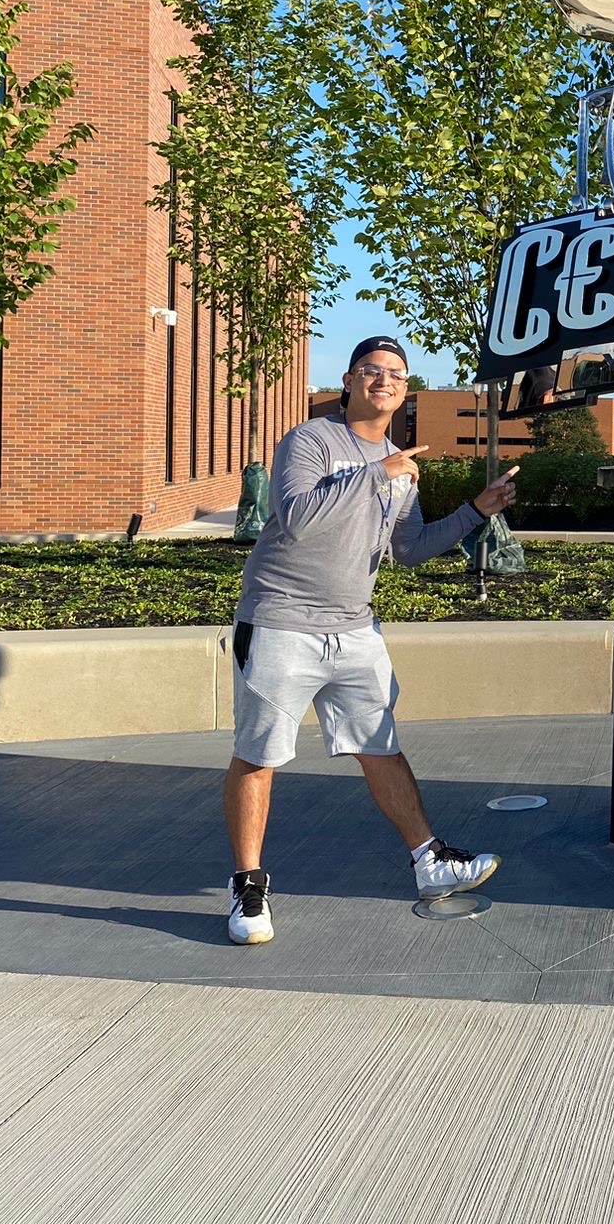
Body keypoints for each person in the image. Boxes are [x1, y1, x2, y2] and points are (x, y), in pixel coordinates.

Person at [221, 334, 520, 945]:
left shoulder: (401, 464)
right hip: (282, 621)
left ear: (405, 391)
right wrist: (374, 473)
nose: (385, 380)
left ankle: (430, 861)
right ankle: (248, 885)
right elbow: (299, 517)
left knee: (379, 743)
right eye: (372, 370)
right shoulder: (310, 441)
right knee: (260, 754)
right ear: (351, 381)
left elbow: (407, 550)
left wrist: (476, 511)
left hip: (354, 626)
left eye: (397, 374)